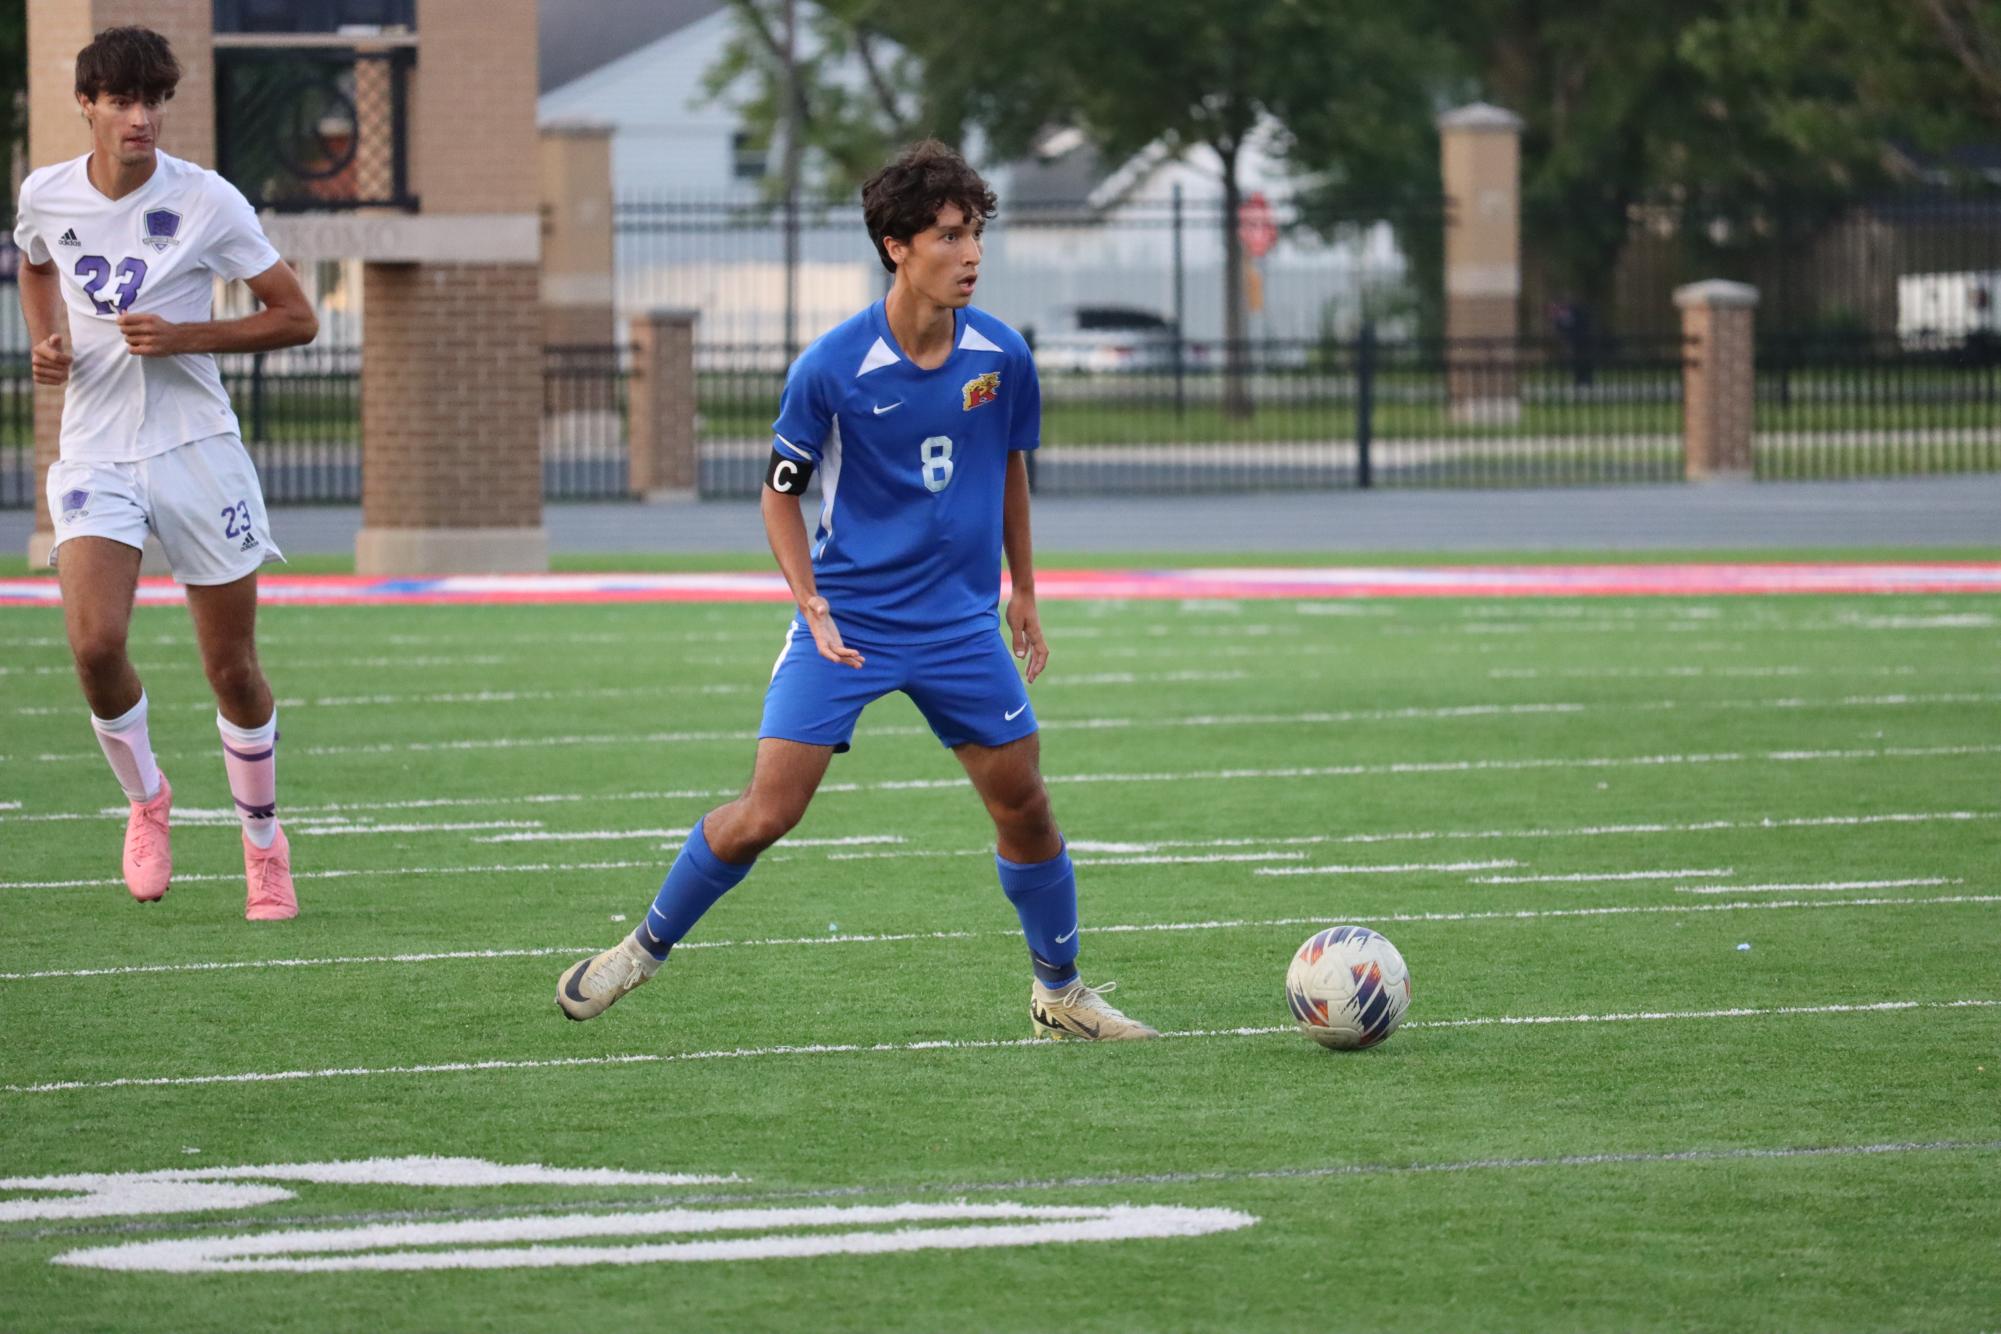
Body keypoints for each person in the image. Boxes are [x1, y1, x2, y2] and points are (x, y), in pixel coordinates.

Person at [557, 140, 1156, 1040]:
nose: (971, 254)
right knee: (766, 814)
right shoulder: (831, 368)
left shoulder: (1002, 353)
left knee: (1024, 805)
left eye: (976, 232)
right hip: (852, 622)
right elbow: (778, 494)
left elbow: (1009, 471)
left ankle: (1059, 994)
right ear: (895, 246)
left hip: (958, 624)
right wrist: (809, 601)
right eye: (950, 236)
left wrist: (1022, 588)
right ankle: (636, 950)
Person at [14, 26, 319, 919]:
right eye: (121, 100)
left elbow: (296, 317)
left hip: (196, 449)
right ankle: (148, 798)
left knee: (231, 669)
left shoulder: (209, 202)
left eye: (152, 101)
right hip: (96, 450)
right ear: (88, 105)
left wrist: (188, 335)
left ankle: (264, 845)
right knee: (95, 645)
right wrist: (48, 335)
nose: (140, 117)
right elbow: (36, 264)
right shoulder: (45, 193)